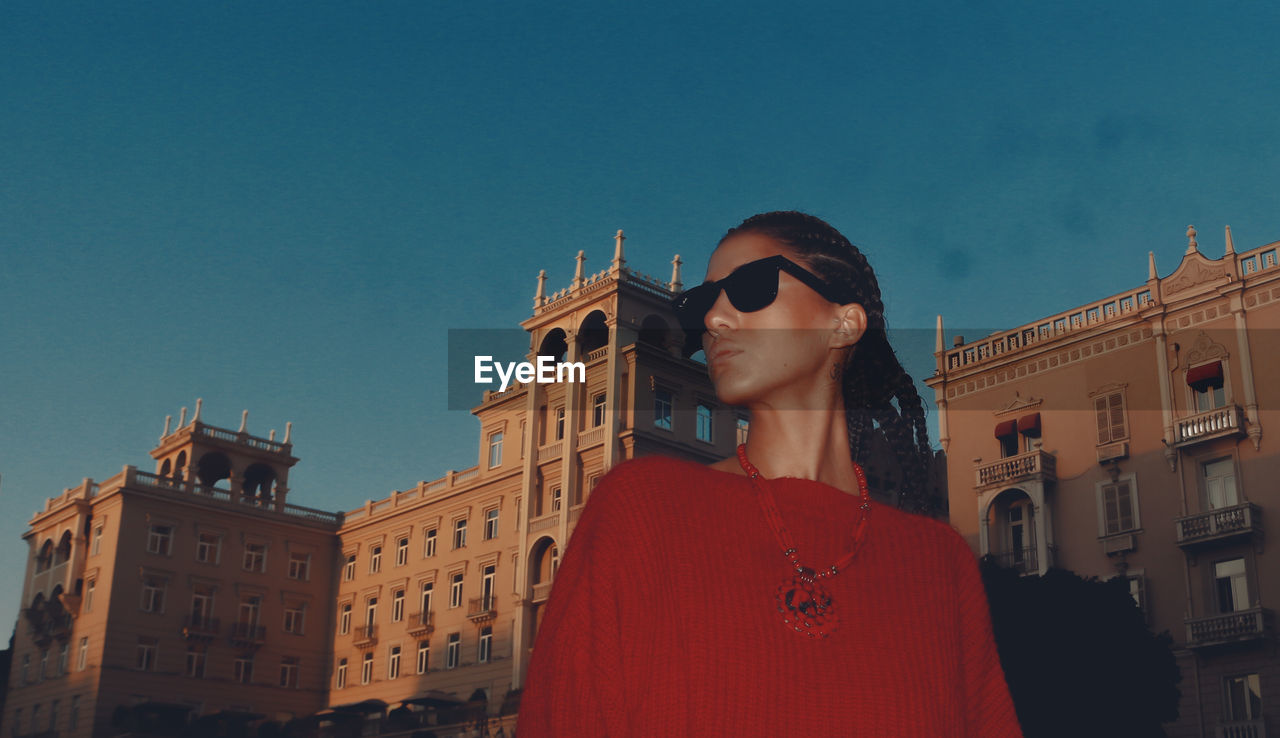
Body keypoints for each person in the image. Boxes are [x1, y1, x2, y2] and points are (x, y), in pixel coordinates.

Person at [518, 211, 1022, 737]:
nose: (713, 318)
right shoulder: (642, 510)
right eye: (701, 303)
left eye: (749, 287)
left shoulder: (940, 566)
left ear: (843, 323)